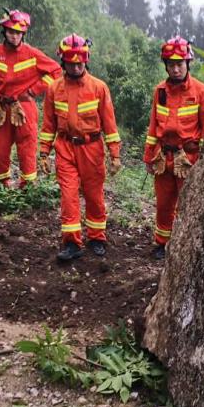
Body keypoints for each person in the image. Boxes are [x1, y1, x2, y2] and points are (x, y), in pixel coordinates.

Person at [39, 34, 122, 261]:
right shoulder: (54, 89)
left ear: (86, 60)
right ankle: (72, 243)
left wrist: (114, 154)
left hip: (92, 148)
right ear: (63, 62)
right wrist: (44, 152)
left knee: (94, 195)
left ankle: (97, 237)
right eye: (71, 63)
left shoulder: (99, 88)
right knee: (68, 196)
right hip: (65, 147)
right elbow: (48, 124)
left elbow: (110, 124)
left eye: (79, 63)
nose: (76, 67)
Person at [143, 36, 204, 259]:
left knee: (188, 204)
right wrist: (149, 156)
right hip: (163, 156)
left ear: (187, 64)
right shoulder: (160, 91)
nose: (175, 69)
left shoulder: (203, 93)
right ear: (166, 65)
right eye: (171, 65)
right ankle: (162, 243)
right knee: (164, 203)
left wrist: (203, 163)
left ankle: (186, 244)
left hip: (189, 158)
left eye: (180, 64)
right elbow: (154, 124)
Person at [0, 9, 62, 187]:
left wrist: (34, 91)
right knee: (0, 150)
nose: (14, 36)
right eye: (11, 32)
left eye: (18, 33)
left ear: (23, 33)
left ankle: (27, 186)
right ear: (5, 32)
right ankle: (1, 184)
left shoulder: (32, 53)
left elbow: (56, 71)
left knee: (27, 147)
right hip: (3, 108)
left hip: (24, 107)